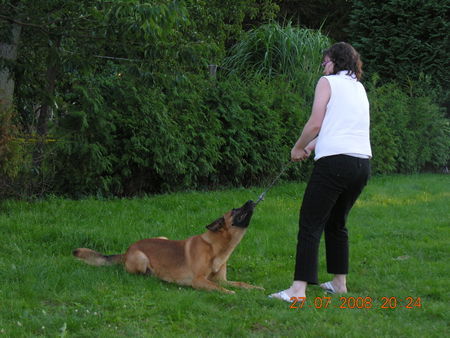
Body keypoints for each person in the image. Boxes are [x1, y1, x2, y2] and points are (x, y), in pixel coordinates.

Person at [269, 42, 372, 302]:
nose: (323, 67)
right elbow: (337, 129)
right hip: (361, 165)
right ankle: (339, 284)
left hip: (335, 164)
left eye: (325, 62)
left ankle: (297, 291)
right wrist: (311, 147)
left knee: (310, 223)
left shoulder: (327, 82)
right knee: (337, 223)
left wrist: (297, 147)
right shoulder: (358, 88)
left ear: (335, 61)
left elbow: (316, 123)